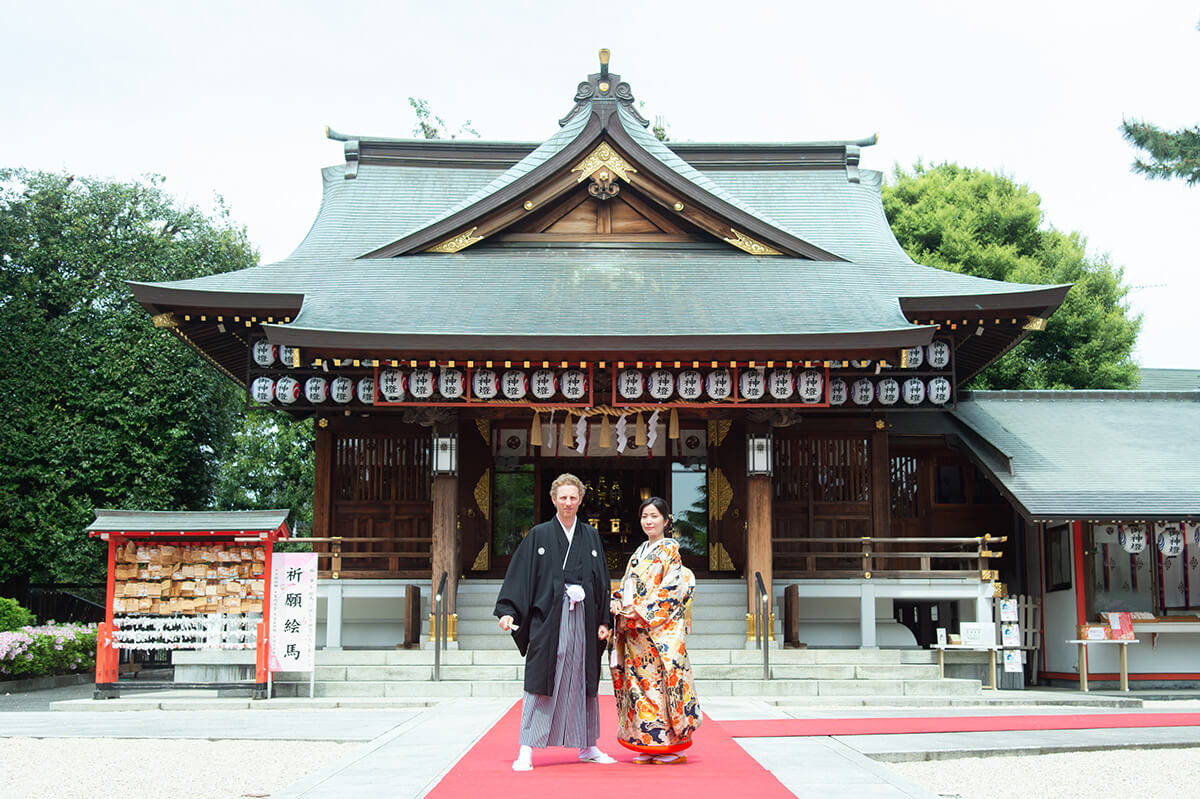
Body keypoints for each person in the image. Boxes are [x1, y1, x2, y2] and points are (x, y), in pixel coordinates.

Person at [494, 472, 616, 771]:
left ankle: (587, 745)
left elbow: (601, 579)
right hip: (550, 618)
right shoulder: (539, 535)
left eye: (573, 497)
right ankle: (527, 748)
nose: (568, 502)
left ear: (581, 500)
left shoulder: (589, 536)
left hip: (585, 618)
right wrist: (509, 609)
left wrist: (603, 620)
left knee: (583, 679)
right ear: (553, 499)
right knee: (541, 679)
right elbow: (521, 575)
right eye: (563, 497)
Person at [608, 496, 701, 764]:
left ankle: (675, 745)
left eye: (654, 516)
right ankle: (650, 742)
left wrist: (641, 611)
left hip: (657, 631)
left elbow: (671, 589)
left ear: (666, 521)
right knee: (640, 688)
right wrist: (616, 601)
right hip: (635, 633)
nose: (649, 521)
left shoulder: (670, 550)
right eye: (644, 516)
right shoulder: (639, 553)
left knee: (662, 687)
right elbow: (627, 585)